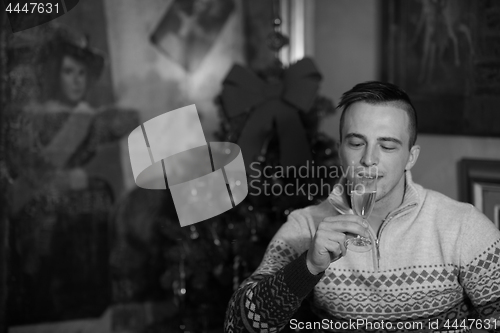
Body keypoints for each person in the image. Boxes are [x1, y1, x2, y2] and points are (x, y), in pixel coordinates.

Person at [224, 81, 500, 332]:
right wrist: (307, 267)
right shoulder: (304, 226)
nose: (369, 159)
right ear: (341, 149)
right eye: (357, 143)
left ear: (411, 157)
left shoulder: (463, 226)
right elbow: (238, 326)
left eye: (388, 146)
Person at [6, 26, 136, 324]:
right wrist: (61, 180)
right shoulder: (34, 119)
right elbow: (30, 170)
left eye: (81, 73)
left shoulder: (86, 117)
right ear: (53, 74)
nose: (77, 81)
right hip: (37, 212)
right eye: (68, 72)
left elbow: (119, 123)